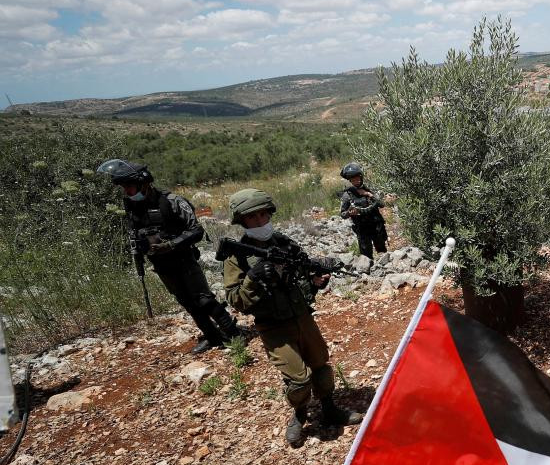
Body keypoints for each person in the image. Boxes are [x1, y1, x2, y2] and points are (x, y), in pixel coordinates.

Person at [222, 189, 361, 447]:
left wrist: (316, 281)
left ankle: (329, 408)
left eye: (264, 215)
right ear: (242, 221)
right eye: (253, 218)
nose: (261, 222)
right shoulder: (237, 257)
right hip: (273, 327)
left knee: (320, 365)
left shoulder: (284, 243)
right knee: (298, 379)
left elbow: (302, 275)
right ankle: (299, 415)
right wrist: (253, 277)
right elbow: (236, 301)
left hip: (302, 317)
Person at [100, 159, 239, 354]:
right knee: (187, 303)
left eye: (130, 188)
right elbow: (136, 233)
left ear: (144, 183)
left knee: (204, 300)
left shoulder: (172, 201)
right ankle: (213, 337)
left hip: (184, 260)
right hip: (162, 265)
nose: (127, 192)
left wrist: (171, 244)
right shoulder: (132, 207)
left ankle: (234, 334)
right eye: (124, 189)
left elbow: (196, 231)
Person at [338, 162, 387, 259]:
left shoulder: (369, 189)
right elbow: (343, 214)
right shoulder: (347, 195)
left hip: (376, 225)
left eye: (357, 178)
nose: (356, 180)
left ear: (361, 177)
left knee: (382, 251)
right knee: (366, 256)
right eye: (353, 179)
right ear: (350, 180)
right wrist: (349, 213)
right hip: (362, 228)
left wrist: (368, 194)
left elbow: (381, 204)